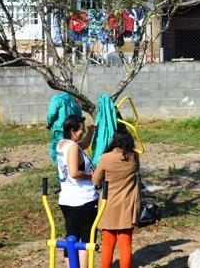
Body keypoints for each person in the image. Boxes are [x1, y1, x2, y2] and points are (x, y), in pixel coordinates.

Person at [92, 126, 140, 268]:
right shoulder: (134, 156)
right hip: (128, 204)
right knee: (125, 244)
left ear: (115, 141)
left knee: (108, 242)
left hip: (109, 204)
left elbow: (96, 180)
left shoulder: (106, 158)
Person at [56, 115, 98, 268]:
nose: (82, 132)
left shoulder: (62, 144)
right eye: (81, 130)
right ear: (73, 131)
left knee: (71, 239)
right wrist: (92, 175)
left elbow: (83, 145)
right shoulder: (73, 147)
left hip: (67, 200)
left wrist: (90, 132)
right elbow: (74, 172)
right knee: (87, 240)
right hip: (83, 200)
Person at [46, 82, 83, 165]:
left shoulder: (58, 98)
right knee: (70, 150)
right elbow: (79, 115)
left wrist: (48, 123)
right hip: (72, 131)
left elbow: (51, 114)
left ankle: (61, 170)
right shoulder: (74, 100)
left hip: (59, 130)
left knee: (57, 153)